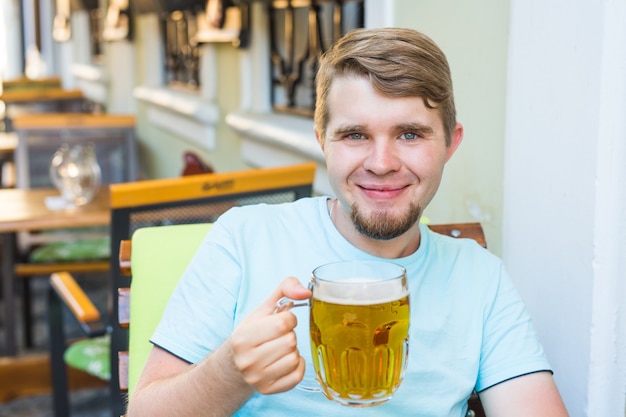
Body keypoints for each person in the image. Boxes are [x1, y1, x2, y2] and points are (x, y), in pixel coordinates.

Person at [127, 27, 569, 416]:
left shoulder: (479, 277)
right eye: (355, 135)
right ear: (323, 141)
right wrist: (230, 373)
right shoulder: (245, 238)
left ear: (450, 144)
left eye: (410, 134)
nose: (381, 163)